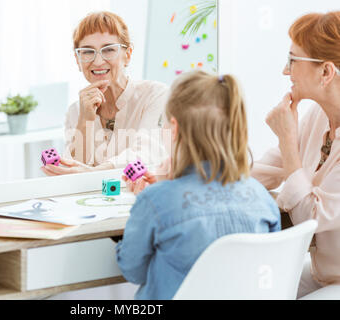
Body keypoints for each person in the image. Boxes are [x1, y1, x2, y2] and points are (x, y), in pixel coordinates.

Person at [116, 71, 281, 300]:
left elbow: (133, 270)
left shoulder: (155, 201)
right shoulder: (260, 197)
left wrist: (145, 208)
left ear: (174, 128)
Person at [251, 11, 340, 299]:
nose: (285, 71)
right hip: (323, 274)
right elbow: (263, 169)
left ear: (326, 72)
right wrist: (189, 173)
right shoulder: (317, 116)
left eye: (293, 61)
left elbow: (309, 219)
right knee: (249, 288)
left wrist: (288, 139)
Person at [41, 11, 169, 176]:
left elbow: (148, 151)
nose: (98, 61)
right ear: (77, 60)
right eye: (87, 52)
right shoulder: (76, 111)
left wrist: (95, 172)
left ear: (127, 55)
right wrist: (85, 120)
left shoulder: (156, 95)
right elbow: (72, 173)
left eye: (108, 50)